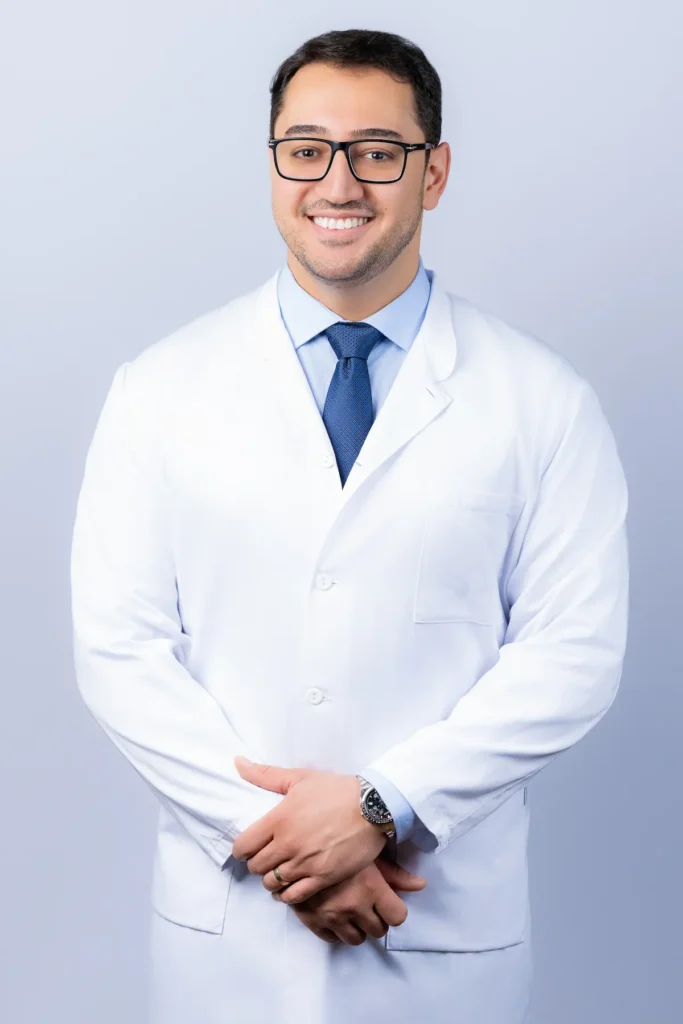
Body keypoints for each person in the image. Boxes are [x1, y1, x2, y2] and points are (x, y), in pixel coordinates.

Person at [70, 27, 629, 1024]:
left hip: (435, 922)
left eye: (376, 151)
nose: (338, 183)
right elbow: (119, 650)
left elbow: (572, 654)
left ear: (433, 172)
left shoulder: (541, 400)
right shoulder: (158, 390)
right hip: (233, 927)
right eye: (306, 150)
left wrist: (382, 803)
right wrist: (280, 840)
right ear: (272, 166)